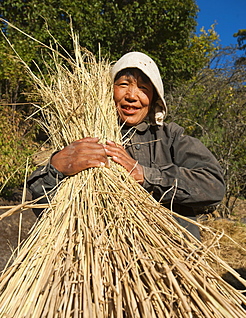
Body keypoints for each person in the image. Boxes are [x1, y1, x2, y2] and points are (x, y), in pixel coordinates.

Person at [27, 52, 225, 239]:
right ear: (108, 91)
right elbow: (43, 207)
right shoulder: (85, 139)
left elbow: (214, 186)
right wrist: (56, 169)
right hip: (100, 261)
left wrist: (146, 175)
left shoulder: (170, 138)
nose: (132, 95)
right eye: (123, 84)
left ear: (154, 99)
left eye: (143, 88)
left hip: (173, 262)